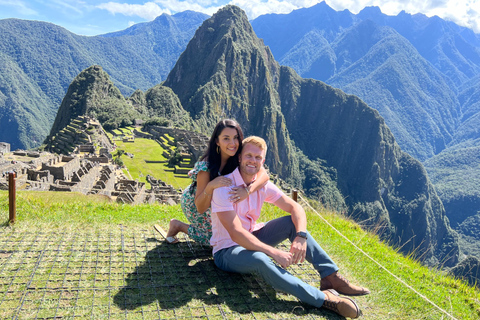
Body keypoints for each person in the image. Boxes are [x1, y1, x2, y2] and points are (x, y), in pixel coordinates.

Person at [209, 136, 369, 318]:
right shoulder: (224, 188)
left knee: (290, 222)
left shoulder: (261, 186)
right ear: (239, 157)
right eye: (249, 156)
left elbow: (296, 208)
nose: (253, 161)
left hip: (252, 236)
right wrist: (273, 252)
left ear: (263, 161)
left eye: (258, 157)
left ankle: (330, 276)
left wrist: (301, 236)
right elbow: (235, 233)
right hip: (227, 250)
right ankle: (323, 298)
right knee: (260, 259)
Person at [155, 119, 269, 245]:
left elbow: (264, 175)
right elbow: (200, 207)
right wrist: (211, 186)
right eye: (226, 138)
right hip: (196, 201)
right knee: (214, 239)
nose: (232, 143)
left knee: (229, 234)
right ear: (217, 141)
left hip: (219, 201)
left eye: (235, 138)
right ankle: (178, 226)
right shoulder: (206, 166)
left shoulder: (239, 157)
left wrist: (247, 191)